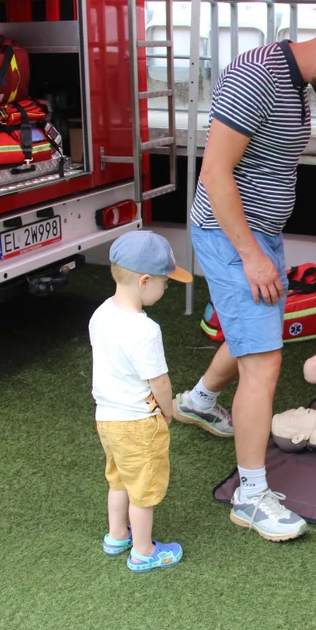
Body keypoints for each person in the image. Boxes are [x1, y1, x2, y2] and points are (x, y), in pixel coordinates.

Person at [172, 21, 316, 542]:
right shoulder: (256, 76)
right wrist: (251, 256)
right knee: (264, 361)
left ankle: (198, 401)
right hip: (231, 235)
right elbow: (215, 174)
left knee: (256, 332)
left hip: (259, 234)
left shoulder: (298, 84)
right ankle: (250, 496)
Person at [89, 230, 191, 573]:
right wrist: (169, 411)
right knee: (143, 490)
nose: (166, 288)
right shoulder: (144, 330)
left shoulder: (101, 314)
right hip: (138, 422)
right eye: (165, 282)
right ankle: (143, 551)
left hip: (107, 419)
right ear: (144, 281)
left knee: (117, 479)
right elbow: (159, 382)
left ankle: (117, 535)